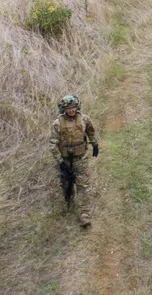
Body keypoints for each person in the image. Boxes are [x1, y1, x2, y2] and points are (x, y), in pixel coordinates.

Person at [50, 94, 99, 227]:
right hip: (65, 160)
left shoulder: (84, 119)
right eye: (68, 108)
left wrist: (94, 144)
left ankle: (84, 215)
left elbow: (90, 131)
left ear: (77, 107)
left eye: (73, 107)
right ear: (63, 109)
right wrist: (60, 161)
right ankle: (68, 201)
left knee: (83, 185)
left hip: (81, 159)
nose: (71, 110)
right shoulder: (57, 124)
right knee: (66, 185)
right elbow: (52, 144)